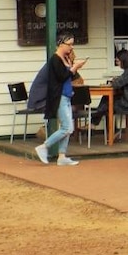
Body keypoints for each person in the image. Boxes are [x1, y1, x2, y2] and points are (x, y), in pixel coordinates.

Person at [34, 33, 88, 166]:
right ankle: (44, 147)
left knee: (68, 127)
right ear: (61, 44)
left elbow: (68, 76)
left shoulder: (65, 59)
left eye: (72, 44)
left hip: (67, 95)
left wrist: (75, 68)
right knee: (67, 128)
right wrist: (74, 68)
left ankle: (62, 156)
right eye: (69, 44)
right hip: (59, 97)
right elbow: (61, 76)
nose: (71, 47)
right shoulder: (55, 60)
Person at [91, 49, 128, 130]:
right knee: (107, 101)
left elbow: (116, 85)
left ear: (124, 61)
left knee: (107, 103)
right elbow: (123, 81)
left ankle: (97, 125)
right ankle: (105, 129)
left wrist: (112, 82)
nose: (117, 63)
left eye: (118, 61)